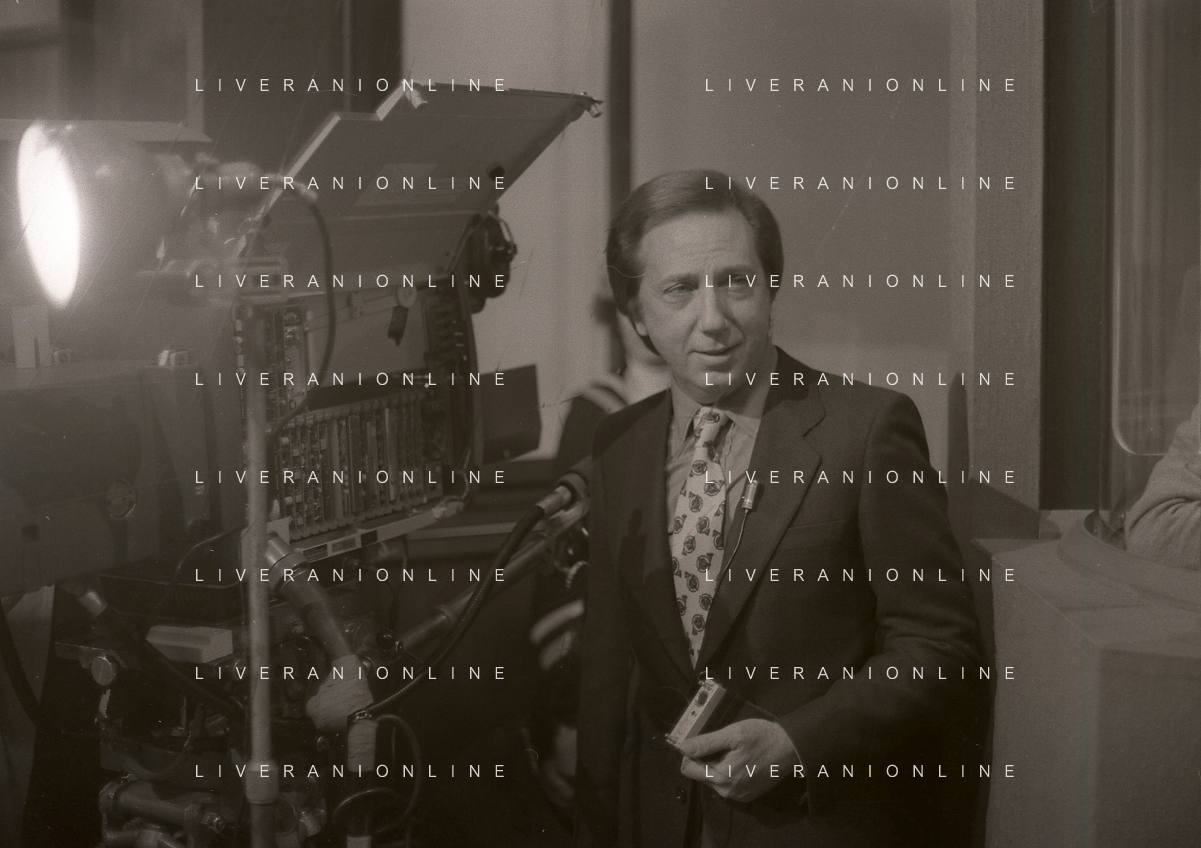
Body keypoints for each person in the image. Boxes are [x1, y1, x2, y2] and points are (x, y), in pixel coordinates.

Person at [574, 170, 984, 847]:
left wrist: (797, 742)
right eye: (679, 289)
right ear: (636, 315)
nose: (713, 319)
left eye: (736, 282)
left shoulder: (867, 428)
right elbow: (605, 670)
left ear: (771, 289)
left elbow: (939, 645)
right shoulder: (618, 443)